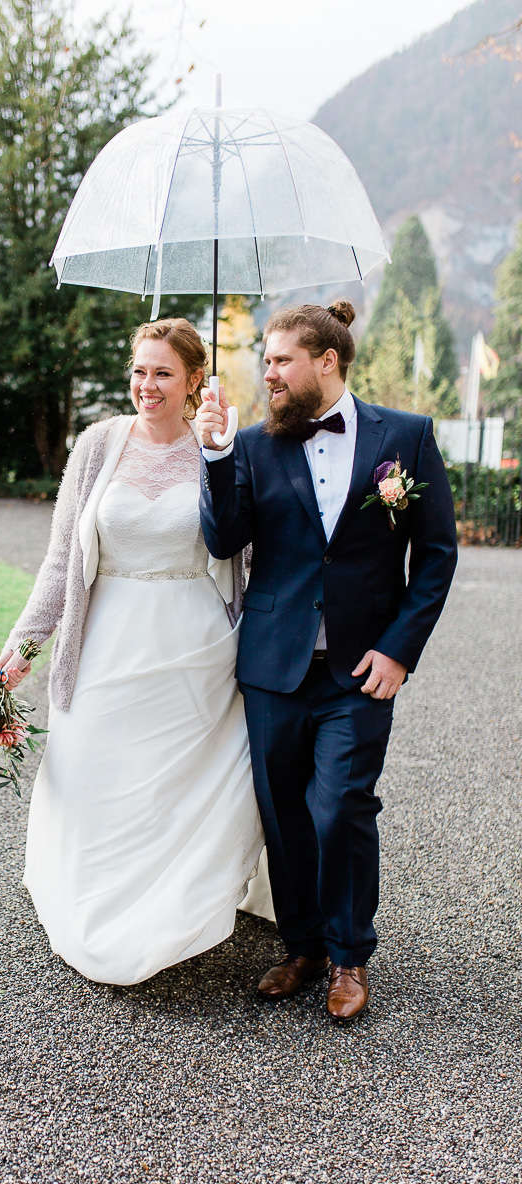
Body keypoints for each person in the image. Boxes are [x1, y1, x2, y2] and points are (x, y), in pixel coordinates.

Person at [196, 300, 458, 1023]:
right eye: (266, 361)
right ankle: (303, 947)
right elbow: (224, 540)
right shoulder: (249, 444)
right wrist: (216, 456)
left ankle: (349, 957)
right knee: (284, 813)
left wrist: (401, 650)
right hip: (274, 663)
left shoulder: (405, 437)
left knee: (340, 804)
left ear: (327, 361)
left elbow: (435, 556)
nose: (267, 373)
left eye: (280, 360)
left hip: (361, 667)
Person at [0, 317, 273, 986]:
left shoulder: (222, 447)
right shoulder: (98, 445)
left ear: (194, 381)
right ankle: (94, 899)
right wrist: (26, 641)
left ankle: (172, 908)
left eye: (163, 373)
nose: (148, 386)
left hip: (194, 645)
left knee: (177, 781)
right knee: (93, 765)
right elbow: (63, 556)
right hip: (107, 639)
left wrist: (218, 453)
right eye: (139, 372)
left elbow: (247, 553)